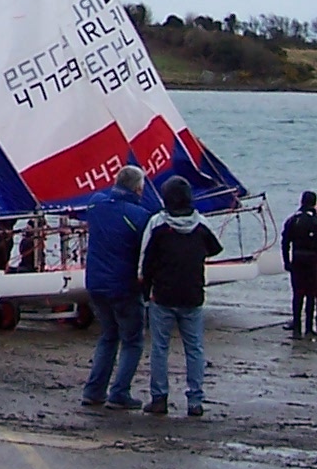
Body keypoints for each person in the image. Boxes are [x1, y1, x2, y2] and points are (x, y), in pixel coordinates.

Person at [138, 177, 221, 416]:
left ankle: (159, 398)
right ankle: (195, 401)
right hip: (193, 294)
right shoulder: (200, 224)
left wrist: (145, 291)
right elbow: (216, 248)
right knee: (194, 348)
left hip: (162, 295)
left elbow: (145, 261)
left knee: (160, 348)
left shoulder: (158, 224)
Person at [80, 166, 159, 410]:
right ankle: (119, 392)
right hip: (123, 287)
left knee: (108, 335)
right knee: (133, 340)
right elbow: (147, 253)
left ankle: (93, 391)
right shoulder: (140, 216)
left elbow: (105, 199)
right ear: (139, 189)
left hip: (96, 283)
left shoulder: (95, 204)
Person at [281, 190, 317, 335]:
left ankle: (297, 326)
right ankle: (309, 328)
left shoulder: (293, 220)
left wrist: (286, 261)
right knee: (311, 294)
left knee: (297, 294)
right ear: (314, 203)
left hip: (297, 258)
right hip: (312, 261)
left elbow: (285, 242)